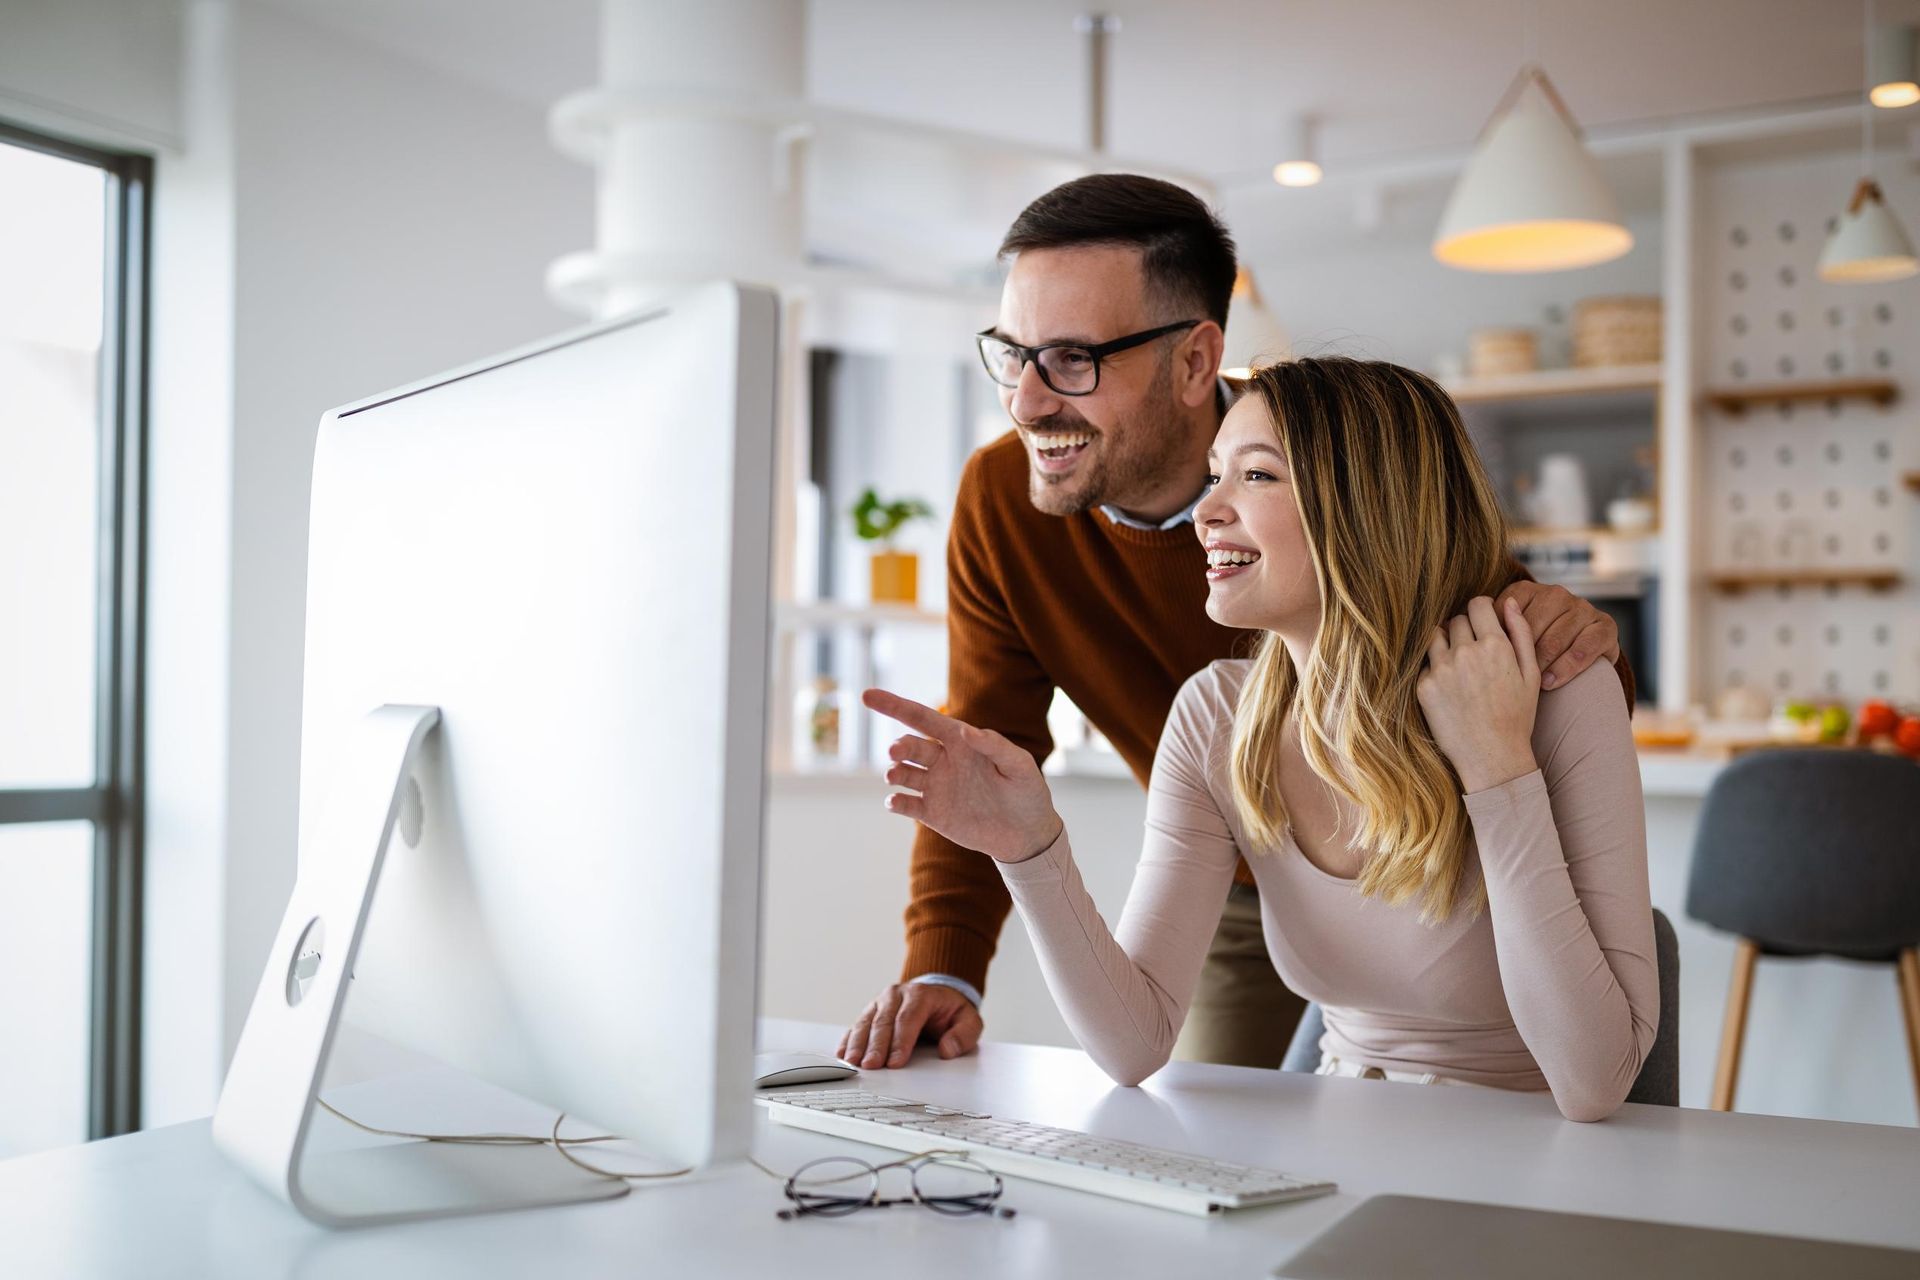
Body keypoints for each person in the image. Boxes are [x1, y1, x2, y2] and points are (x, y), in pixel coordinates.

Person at [835, 174, 1631, 1074]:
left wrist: (1566, 651)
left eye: (1071, 360)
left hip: (1437, 869)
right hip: (1240, 859)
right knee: (1207, 1142)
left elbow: (1514, 650)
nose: (1025, 400)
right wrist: (947, 965)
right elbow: (986, 745)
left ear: (1192, 361)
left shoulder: (1335, 464)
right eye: (1012, 354)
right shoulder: (1011, 513)